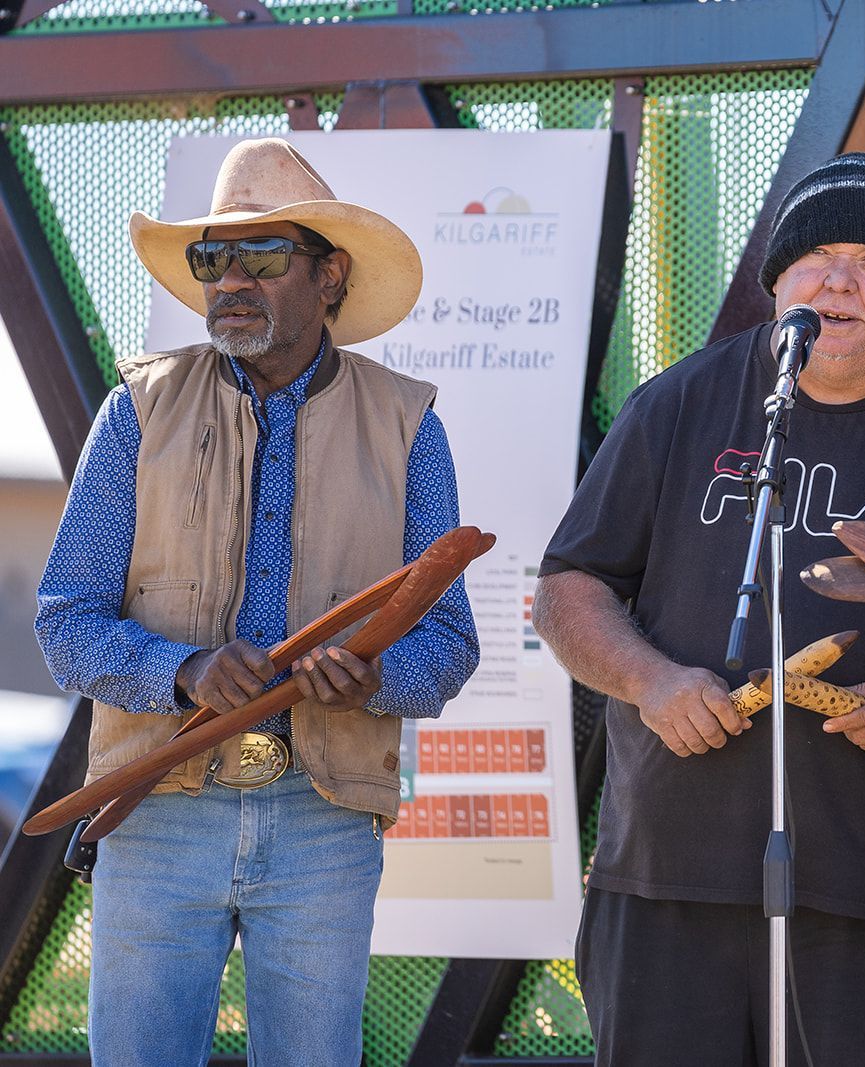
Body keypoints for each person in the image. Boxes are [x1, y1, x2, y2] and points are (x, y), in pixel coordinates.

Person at [534, 153, 865, 1064]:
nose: (839, 279)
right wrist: (650, 681)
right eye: (816, 258)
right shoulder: (679, 403)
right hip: (666, 879)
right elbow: (570, 587)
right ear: (779, 283)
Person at [35, 137, 479, 1067]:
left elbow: (448, 644)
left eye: (262, 256)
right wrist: (185, 669)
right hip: (156, 808)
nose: (229, 280)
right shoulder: (138, 411)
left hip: (324, 819)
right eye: (211, 259)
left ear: (330, 276)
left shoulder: (410, 424)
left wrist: (366, 680)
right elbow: (64, 620)